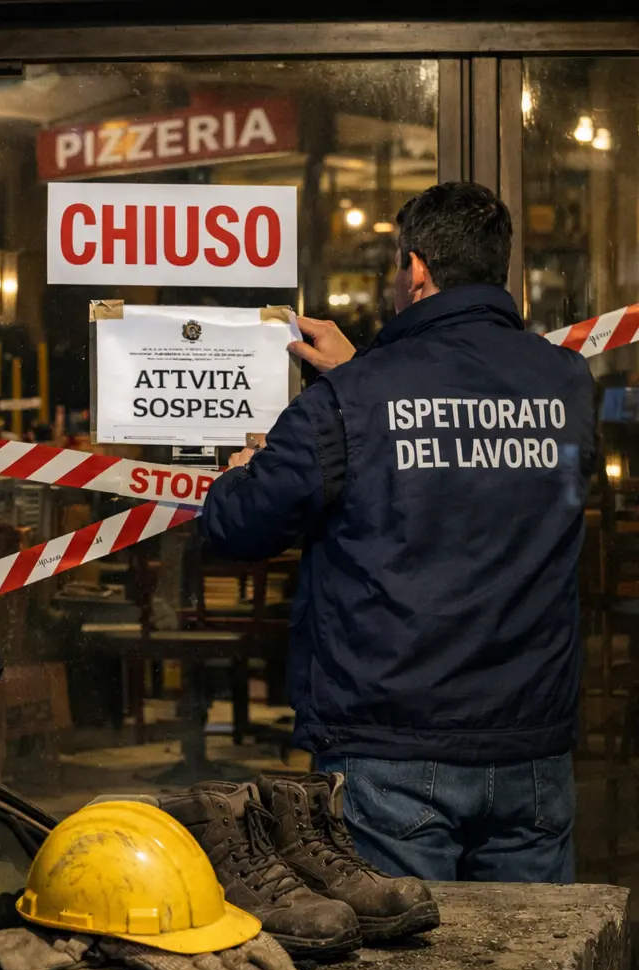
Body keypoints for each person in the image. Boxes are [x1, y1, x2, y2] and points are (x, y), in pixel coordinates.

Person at [201, 182, 595, 883]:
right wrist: (361, 371)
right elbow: (468, 471)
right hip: (531, 746)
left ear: (415, 269)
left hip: (391, 751)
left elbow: (240, 525)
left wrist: (237, 472)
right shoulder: (564, 384)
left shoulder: (354, 399)